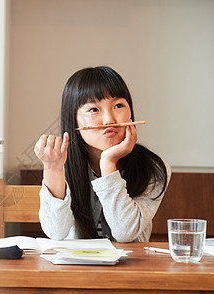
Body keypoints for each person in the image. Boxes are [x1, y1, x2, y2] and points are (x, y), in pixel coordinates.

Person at [34, 66, 171, 242]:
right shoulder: (62, 165)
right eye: (93, 109)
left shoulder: (153, 168)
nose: (109, 120)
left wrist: (108, 163)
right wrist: (52, 169)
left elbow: (125, 233)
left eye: (118, 105)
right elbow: (56, 232)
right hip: (75, 267)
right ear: (74, 121)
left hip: (131, 268)